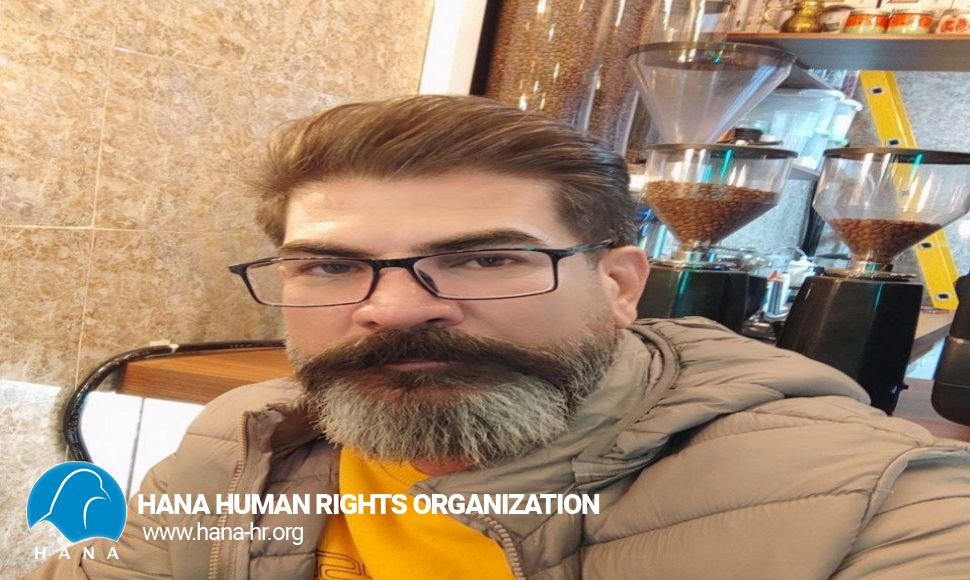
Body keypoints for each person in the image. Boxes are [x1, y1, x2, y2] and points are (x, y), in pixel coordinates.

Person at [31, 95, 970, 579]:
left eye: (485, 259)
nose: (394, 310)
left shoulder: (880, 506)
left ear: (619, 285)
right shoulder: (250, 441)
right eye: (328, 266)